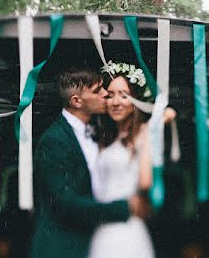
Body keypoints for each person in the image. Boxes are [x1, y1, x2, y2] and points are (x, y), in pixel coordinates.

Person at [30, 66, 151, 258]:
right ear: (76, 101)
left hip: (101, 240)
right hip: (63, 249)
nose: (106, 95)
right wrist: (124, 208)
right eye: (98, 91)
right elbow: (65, 204)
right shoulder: (54, 141)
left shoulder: (99, 134)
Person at [88, 63, 174, 258]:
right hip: (101, 225)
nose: (116, 102)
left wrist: (154, 129)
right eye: (110, 95)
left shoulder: (144, 132)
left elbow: (145, 181)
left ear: (135, 99)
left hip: (127, 225)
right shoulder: (104, 137)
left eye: (124, 95)